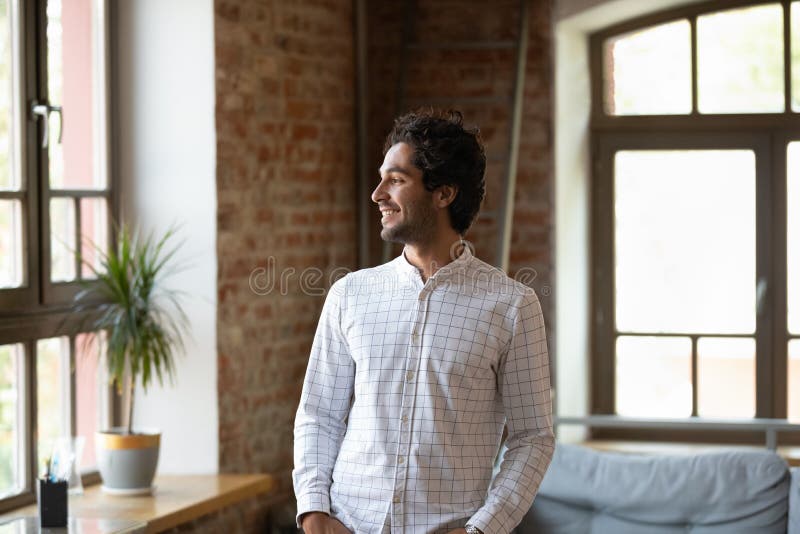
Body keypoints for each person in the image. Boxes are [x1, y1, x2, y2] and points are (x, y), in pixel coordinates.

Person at [293, 109, 554, 534]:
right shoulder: (350, 295)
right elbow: (319, 414)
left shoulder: (511, 306)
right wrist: (313, 512)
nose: (378, 193)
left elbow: (533, 439)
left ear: (444, 193)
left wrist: (483, 529)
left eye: (396, 180)